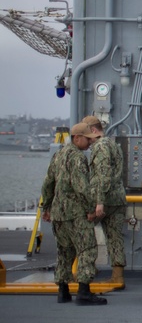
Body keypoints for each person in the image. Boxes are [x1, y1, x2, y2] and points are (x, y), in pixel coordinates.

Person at [39, 122, 106, 305]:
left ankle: (63, 291)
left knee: (64, 251)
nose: (90, 143)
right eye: (87, 139)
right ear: (77, 138)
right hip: (76, 213)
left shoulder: (58, 155)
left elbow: (48, 183)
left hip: (59, 214)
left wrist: (47, 207)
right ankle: (84, 292)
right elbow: (82, 188)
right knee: (87, 249)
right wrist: (91, 209)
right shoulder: (78, 158)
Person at [83, 115, 127, 288]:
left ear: (94, 130)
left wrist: (99, 201)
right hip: (117, 198)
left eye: (87, 135)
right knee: (115, 238)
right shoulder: (112, 144)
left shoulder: (100, 146)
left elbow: (102, 175)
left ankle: (84, 271)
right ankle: (118, 277)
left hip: (104, 199)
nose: (87, 140)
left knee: (83, 231)